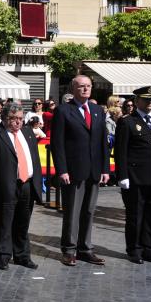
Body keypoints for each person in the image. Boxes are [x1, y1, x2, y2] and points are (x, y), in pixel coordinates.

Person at [50, 75, 110, 267]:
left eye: (88, 86)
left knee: (89, 211)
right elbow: (57, 143)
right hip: (73, 171)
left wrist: (105, 168)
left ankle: (85, 249)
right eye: (81, 86)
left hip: (94, 170)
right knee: (73, 212)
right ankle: (69, 249)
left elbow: (103, 142)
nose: (85, 89)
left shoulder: (97, 110)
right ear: (73, 89)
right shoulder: (63, 110)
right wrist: (62, 170)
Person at [0, 102, 42, 271]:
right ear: (5, 118)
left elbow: (34, 158)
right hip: (3, 185)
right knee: (2, 222)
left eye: (20, 119)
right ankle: (3, 256)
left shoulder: (27, 132)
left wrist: (36, 181)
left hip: (26, 184)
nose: (17, 122)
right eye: (13, 119)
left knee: (23, 223)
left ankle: (22, 256)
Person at [115, 86, 151, 265]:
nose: (149, 103)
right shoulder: (128, 122)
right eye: (146, 100)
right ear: (137, 101)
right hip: (135, 176)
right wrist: (122, 175)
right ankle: (134, 249)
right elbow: (121, 151)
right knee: (135, 215)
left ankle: (149, 248)